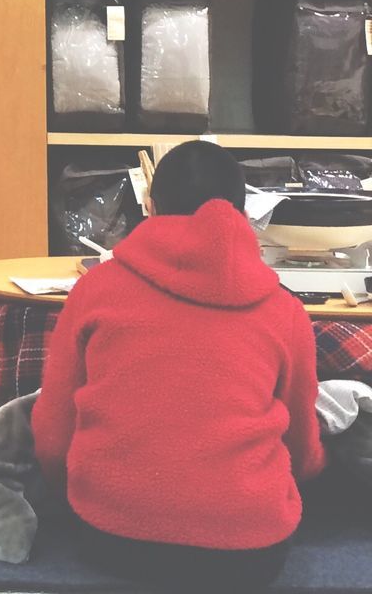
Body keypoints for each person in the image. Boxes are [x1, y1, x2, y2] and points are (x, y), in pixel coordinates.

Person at [32, 141, 325, 592]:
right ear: (245, 214)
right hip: (251, 552)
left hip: (110, 536)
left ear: (150, 206)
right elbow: (303, 447)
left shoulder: (96, 288)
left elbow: (53, 434)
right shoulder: (284, 310)